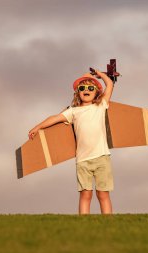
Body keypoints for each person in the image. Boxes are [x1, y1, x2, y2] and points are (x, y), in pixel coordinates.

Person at [28, 69, 114, 214]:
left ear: (96, 93)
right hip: (83, 160)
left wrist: (100, 75)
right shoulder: (73, 111)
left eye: (90, 88)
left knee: (103, 194)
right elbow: (55, 118)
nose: (86, 90)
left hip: (102, 157)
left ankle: (108, 223)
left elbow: (110, 84)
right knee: (85, 195)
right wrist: (38, 126)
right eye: (82, 88)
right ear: (78, 93)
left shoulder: (101, 106)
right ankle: (83, 224)